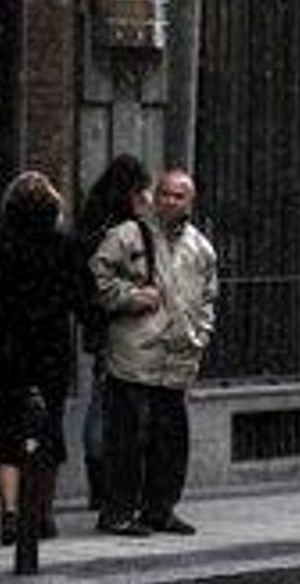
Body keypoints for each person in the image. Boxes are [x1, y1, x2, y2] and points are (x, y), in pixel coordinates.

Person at [90, 168, 217, 537]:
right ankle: (117, 511)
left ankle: (159, 508)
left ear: (190, 201)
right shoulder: (127, 234)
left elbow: (209, 297)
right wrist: (130, 297)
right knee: (126, 440)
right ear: (154, 196)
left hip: (179, 356)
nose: (170, 201)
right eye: (164, 193)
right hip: (135, 354)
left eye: (179, 196)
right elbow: (98, 278)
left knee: (170, 442)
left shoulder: (199, 246)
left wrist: (200, 334)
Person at [0, 171, 82, 545]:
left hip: (2, 354)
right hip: (49, 353)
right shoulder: (63, 246)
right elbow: (80, 295)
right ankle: (41, 512)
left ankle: (10, 512)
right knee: (47, 432)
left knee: (7, 436)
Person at [72, 154, 153, 511]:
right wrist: (136, 297)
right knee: (110, 408)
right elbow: (101, 282)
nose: (146, 198)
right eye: (141, 191)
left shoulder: (93, 223)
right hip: (120, 327)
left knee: (105, 405)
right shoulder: (119, 230)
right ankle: (107, 485)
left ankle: (102, 485)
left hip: (104, 326)